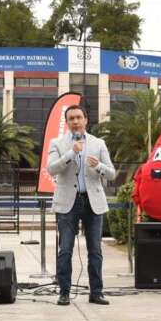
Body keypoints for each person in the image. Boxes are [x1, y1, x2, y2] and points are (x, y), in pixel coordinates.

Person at [47, 104, 117, 306]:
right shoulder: (57, 143)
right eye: (71, 118)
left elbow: (112, 173)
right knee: (65, 249)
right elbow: (51, 169)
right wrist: (70, 153)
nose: (75, 121)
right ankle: (64, 293)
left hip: (92, 201)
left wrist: (99, 166)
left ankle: (96, 292)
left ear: (86, 120)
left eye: (79, 117)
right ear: (67, 122)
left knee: (95, 250)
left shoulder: (98, 143)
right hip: (67, 202)